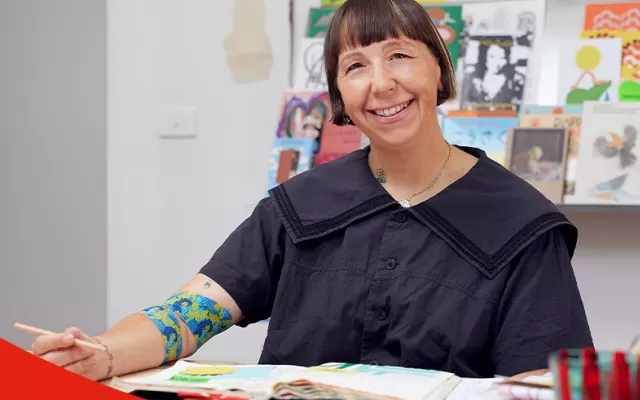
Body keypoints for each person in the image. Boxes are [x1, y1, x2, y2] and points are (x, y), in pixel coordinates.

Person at [30, 0, 593, 381]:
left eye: (399, 55)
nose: (381, 83)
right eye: (355, 66)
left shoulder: (521, 225)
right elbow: (193, 309)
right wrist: (100, 355)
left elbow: (542, 383)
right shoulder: (298, 205)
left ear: (439, 74)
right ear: (340, 99)